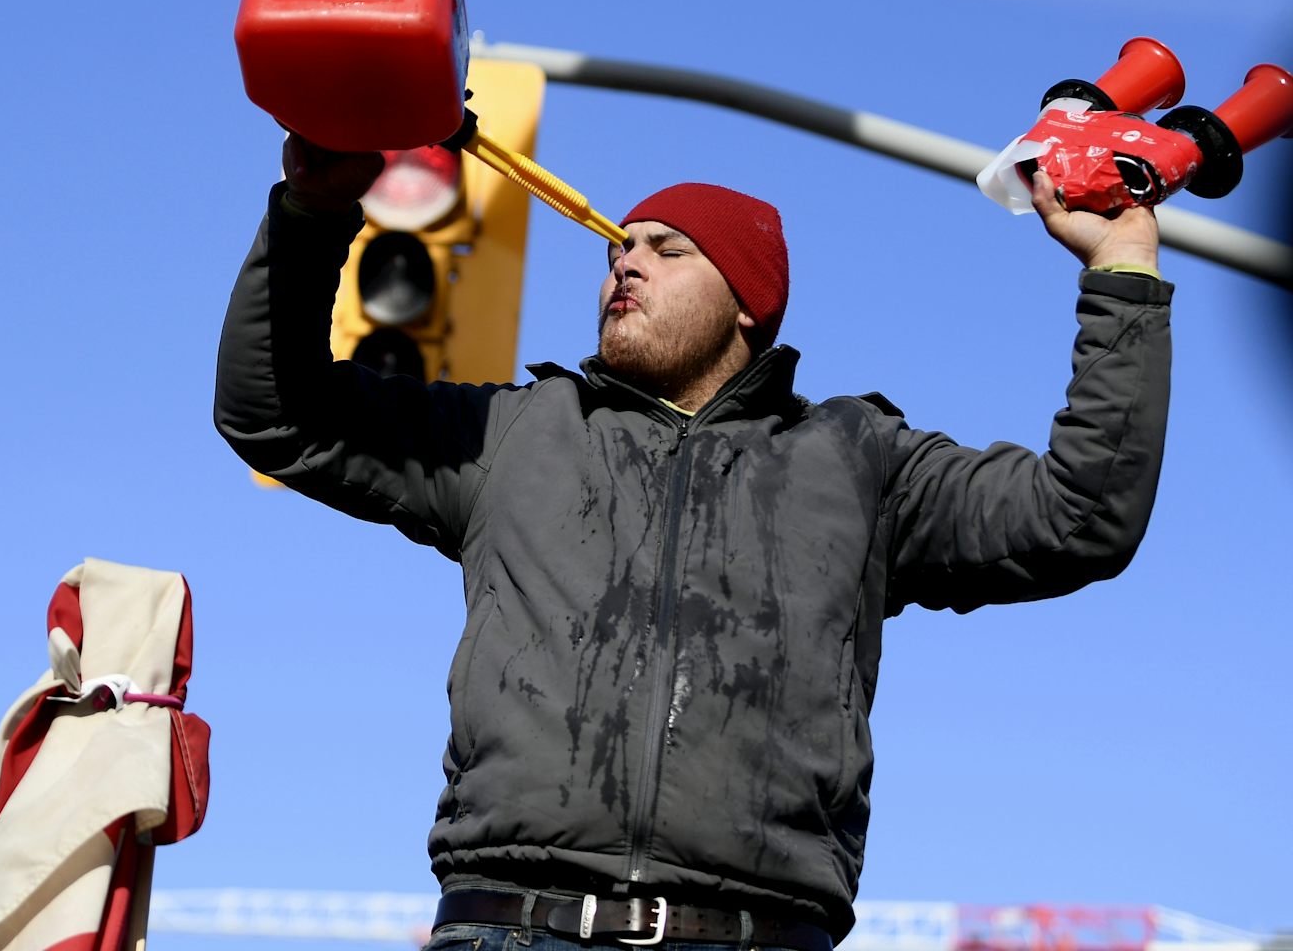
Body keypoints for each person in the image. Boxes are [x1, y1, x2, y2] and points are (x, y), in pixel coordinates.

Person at [214, 134, 1170, 951]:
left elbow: (1080, 514)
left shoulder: (859, 461)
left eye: (667, 250)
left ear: (748, 304)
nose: (624, 263)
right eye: (618, 249)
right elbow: (276, 414)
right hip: (510, 924)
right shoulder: (516, 431)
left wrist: (1122, 263)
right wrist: (311, 209)